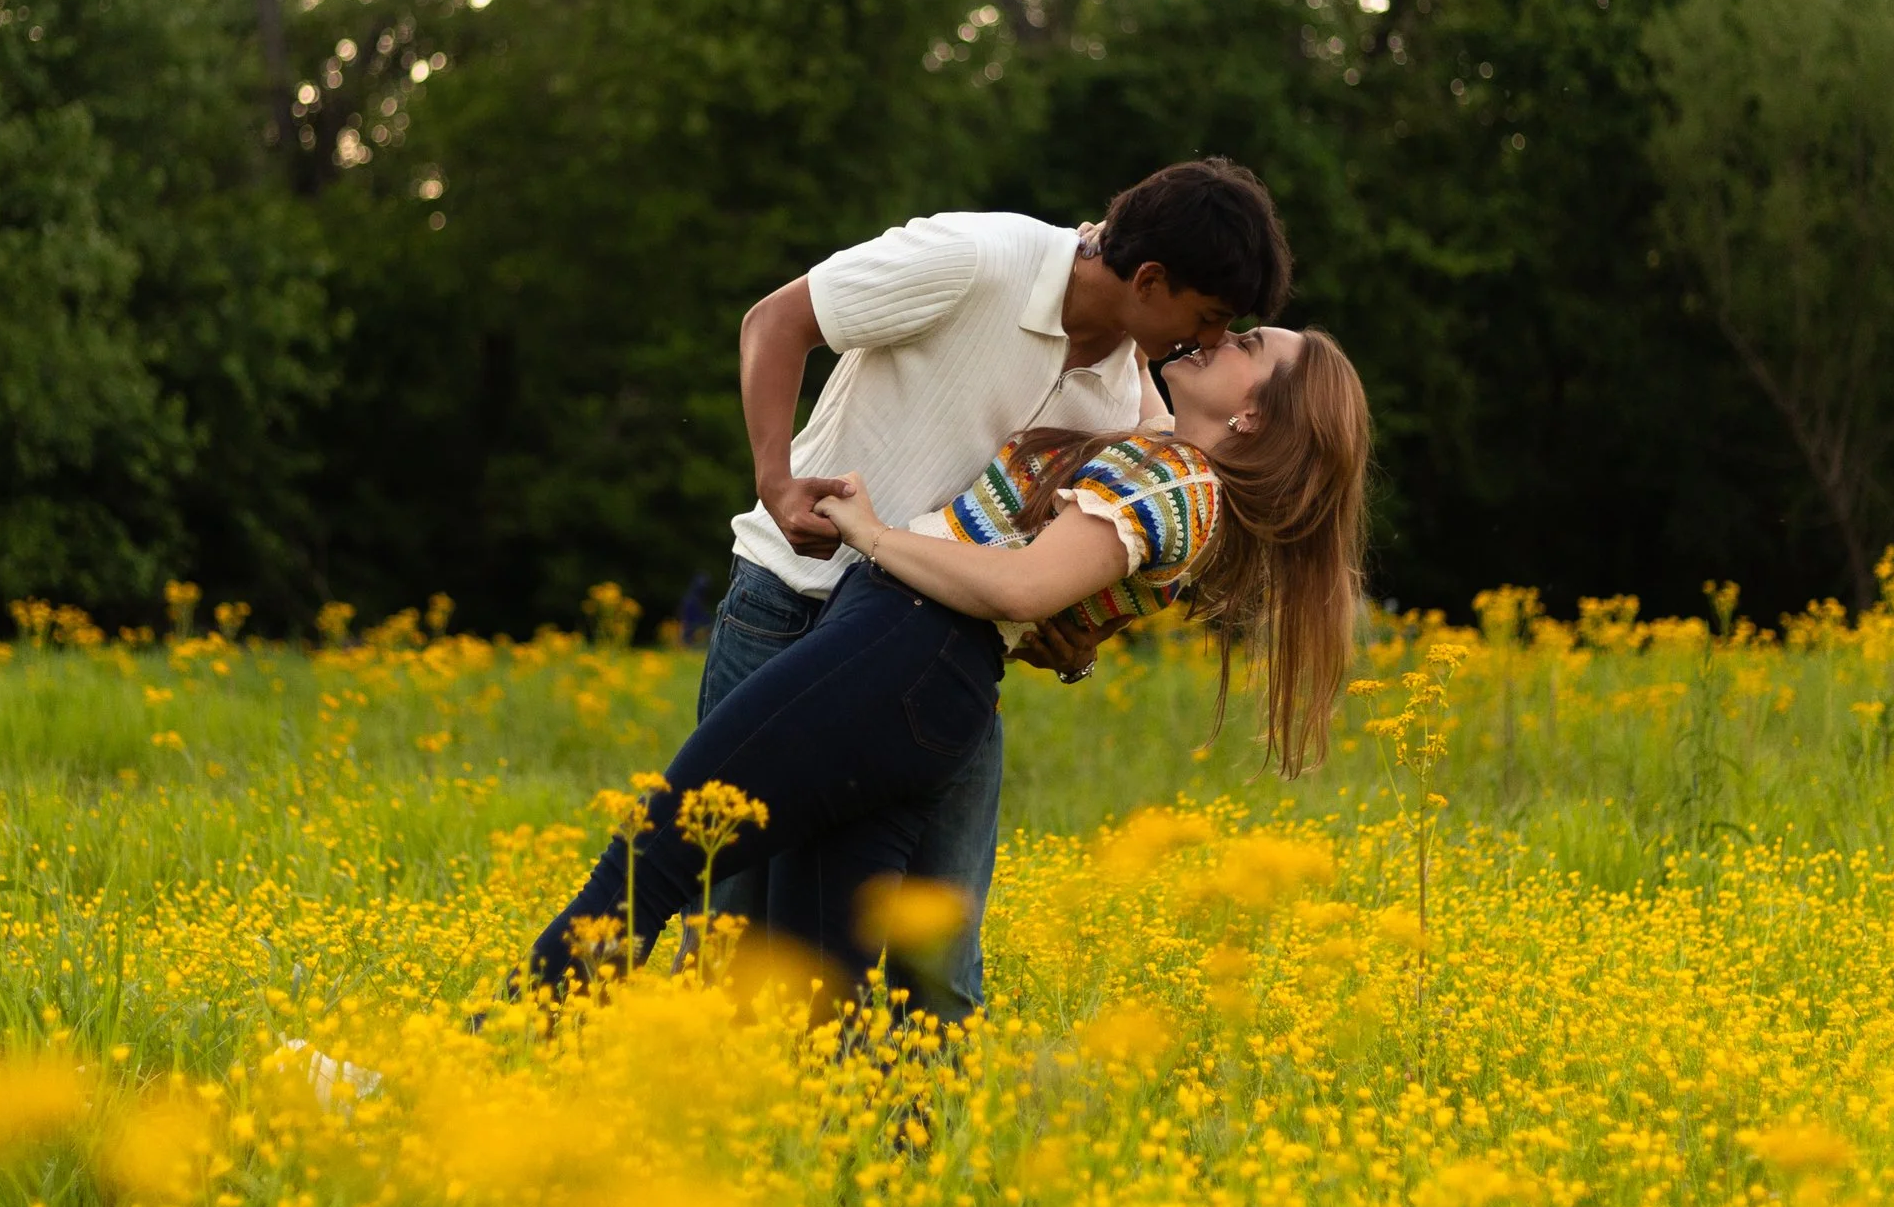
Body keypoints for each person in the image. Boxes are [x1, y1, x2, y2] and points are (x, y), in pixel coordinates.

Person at [528, 325, 1371, 1008]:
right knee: (823, 982)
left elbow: (1026, 586)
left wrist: (872, 535)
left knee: (650, 866)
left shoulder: (1172, 485)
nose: (1218, 336)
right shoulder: (1176, 471)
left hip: (899, 649)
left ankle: (511, 1049)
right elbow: (1143, 366)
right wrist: (1123, 279)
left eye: (1246, 343)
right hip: (919, 676)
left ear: (1254, 416)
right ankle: (860, 1169)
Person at [687, 159, 1293, 1017]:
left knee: (937, 954)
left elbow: (1099, 558)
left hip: (939, 663)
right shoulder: (975, 257)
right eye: (1207, 318)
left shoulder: (1133, 399)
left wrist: (1078, 644)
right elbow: (777, 321)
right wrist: (775, 478)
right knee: (730, 919)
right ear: (1149, 280)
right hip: (791, 606)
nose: (1206, 343)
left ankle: (912, 1144)